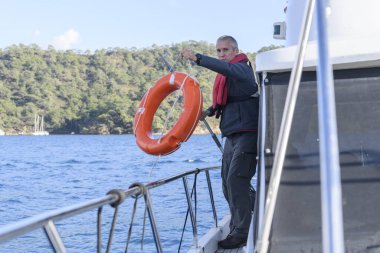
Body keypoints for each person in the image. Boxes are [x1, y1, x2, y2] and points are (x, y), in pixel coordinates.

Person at [181, 35, 259, 249]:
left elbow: (226, 70)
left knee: (236, 179)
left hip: (248, 133)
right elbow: (226, 101)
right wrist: (208, 111)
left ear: (236, 51)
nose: (222, 54)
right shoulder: (229, 75)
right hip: (232, 133)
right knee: (227, 183)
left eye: (226, 50)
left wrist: (198, 58)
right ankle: (260, 208)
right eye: (219, 51)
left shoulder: (242, 69)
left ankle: (242, 231)